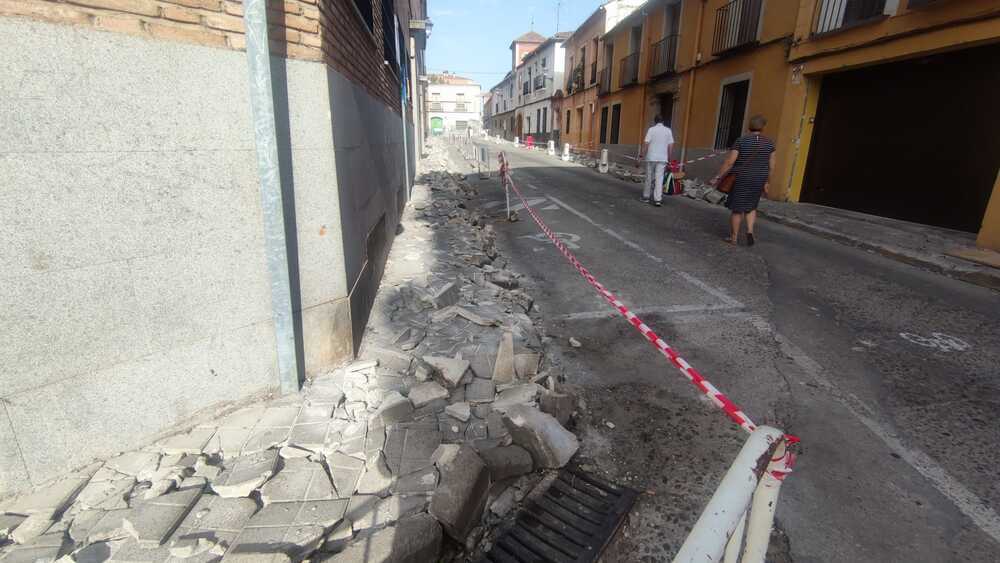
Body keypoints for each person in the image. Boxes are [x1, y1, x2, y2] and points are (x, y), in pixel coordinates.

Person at [711, 114, 776, 246]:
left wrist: (717, 177)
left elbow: (730, 162)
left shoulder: (741, 141)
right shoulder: (769, 143)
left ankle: (734, 238)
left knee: (737, 208)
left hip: (742, 177)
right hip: (759, 178)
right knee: (751, 206)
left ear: (749, 126)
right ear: (763, 127)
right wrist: (767, 182)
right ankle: (750, 231)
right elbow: (772, 166)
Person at [639, 115, 674, 206]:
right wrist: (669, 159)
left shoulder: (651, 130)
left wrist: (641, 155)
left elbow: (646, 143)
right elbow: (670, 146)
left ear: (655, 121)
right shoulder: (668, 131)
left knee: (649, 177)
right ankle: (658, 200)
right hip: (662, 158)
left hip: (651, 157)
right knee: (659, 178)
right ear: (663, 121)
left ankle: (646, 197)